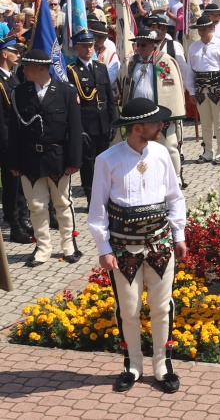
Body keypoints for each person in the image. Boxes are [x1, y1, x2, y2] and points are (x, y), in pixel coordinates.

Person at [88, 98, 186, 394]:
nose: (161, 125)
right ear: (137, 127)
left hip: (160, 245)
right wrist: (103, 248)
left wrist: (179, 234)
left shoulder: (161, 153)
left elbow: (174, 196)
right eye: (156, 122)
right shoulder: (107, 160)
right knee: (128, 308)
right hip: (123, 249)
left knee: (161, 306)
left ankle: (162, 364)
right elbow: (98, 209)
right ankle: (132, 365)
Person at [7, 50, 83, 267]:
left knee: (62, 202)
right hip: (29, 159)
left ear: (42, 68)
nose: (23, 70)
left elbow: (75, 129)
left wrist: (74, 160)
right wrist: (14, 162)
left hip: (58, 158)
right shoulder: (19, 93)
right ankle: (42, 247)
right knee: (36, 206)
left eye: (28, 66)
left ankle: (68, 245)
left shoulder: (66, 92)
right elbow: (14, 130)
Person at [121, 30, 187, 187]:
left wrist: (171, 112)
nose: (139, 48)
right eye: (137, 45)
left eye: (143, 45)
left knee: (169, 145)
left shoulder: (165, 61)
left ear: (153, 45)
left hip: (160, 113)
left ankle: (176, 177)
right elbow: (127, 85)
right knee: (142, 147)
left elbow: (172, 89)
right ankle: (148, 177)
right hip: (140, 115)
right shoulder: (133, 62)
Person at [67, 30, 119, 209]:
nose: (89, 49)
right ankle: (92, 199)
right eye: (84, 46)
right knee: (88, 164)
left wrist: (114, 120)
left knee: (105, 161)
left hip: (103, 121)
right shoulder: (72, 71)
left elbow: (109, 98)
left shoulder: (100, 67)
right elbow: (73, 105)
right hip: (86, 124)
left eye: (91, 45)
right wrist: (78, 129)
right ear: (76, 48)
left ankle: (106, 196)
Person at [185, 15, 220, 165]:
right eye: (200, 28)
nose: (202, 31)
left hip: (217, 89)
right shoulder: (193, 47)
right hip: (201, 90)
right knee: (205, 122)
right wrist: (191, 91)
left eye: (205, 28)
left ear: (211, 28)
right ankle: (207, 152)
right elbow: (189, 71)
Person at [0, 37, 32, 243]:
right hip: (6, 140)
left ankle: (23, 216)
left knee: (20, 181)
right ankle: (13, 223)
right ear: (4, 54)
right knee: (11, 182)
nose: (18, 54)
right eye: (14, 51)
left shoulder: (12, 78)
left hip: (17, 139)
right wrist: (7, 144)